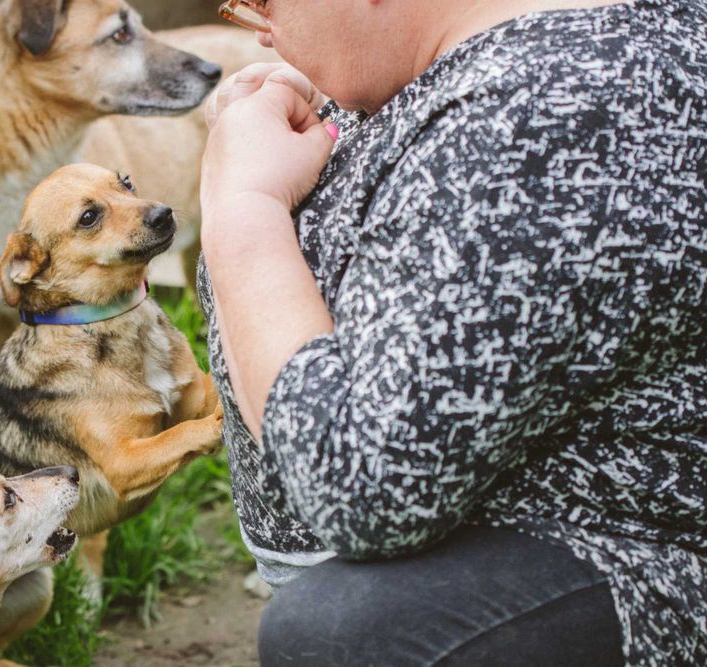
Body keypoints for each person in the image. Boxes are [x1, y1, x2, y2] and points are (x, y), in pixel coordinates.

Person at [197, 0, 706, 665]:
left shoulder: (551, 111)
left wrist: (241, 207)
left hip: (631, 552)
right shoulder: (492, 69)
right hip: (497, 530)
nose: (244, 16)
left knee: (355, 636)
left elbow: (367, 484)